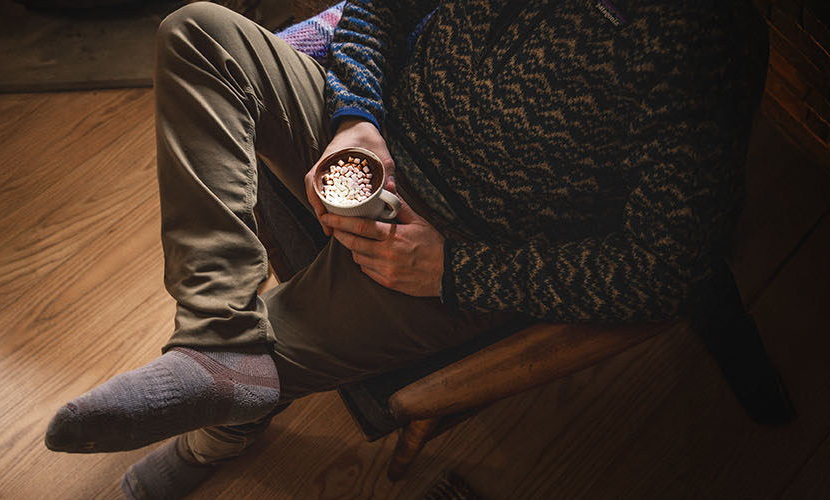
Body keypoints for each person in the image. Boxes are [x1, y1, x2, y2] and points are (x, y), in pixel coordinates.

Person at [43, 0, 770, 496]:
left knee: (269, 363)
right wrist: (357, 116)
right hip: (378, 130)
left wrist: (454, 270)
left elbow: (670, 266)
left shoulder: (697, 38)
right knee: (199, 32)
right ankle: (217, 331)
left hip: (467, 245)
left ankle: (222, 431)